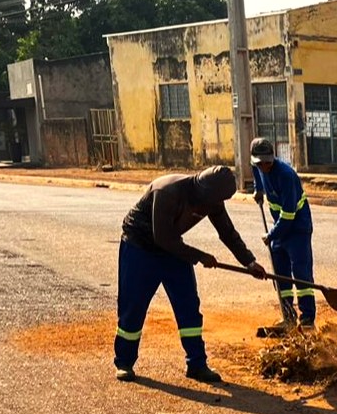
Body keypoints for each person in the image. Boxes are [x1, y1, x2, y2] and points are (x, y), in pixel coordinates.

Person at [113, 165, 267, 384]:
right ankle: (124, 362)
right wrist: (200, 256)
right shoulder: (167, 192)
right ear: (201, 191)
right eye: (209, 203)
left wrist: (249, 262)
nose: (210, 207)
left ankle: (196, 364)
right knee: (133, 306)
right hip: (141, 248)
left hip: (173, 249)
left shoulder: (212, 200)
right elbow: (162, 238)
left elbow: (227, 233)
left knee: (188, 307)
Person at [249, 137, 316, 335]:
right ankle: (288, 317)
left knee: (301, 274)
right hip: (280, 228)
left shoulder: (286, 175)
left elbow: (288, 215)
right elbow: (255, 173)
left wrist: (271, 235)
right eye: (261, 163)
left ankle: (307, 320)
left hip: (297, 228)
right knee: (280, 275)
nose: (265, 166)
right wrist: (258, 189)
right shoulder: (258, 167)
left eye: (268, 161)